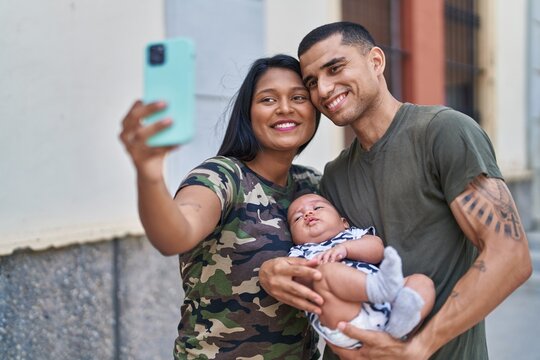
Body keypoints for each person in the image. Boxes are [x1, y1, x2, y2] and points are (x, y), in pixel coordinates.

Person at [259, 22, 532, 359]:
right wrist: (272, 272)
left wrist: (419, 347)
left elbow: (511, 257)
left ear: (376, 61)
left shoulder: (443, 132)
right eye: (313, 82)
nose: (325, 90)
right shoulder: (334, 176)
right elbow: (322, 278)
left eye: (335, 68)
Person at [119, 54, 323, 359]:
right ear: (248, 113)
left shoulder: (312, 185)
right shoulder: (223, 176)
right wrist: (149, 173)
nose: (285, 108)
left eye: (298, 97)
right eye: (268, 99)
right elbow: (176, 234)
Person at [287, 193, 435, 349]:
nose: (308, 214)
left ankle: (398, 327)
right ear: (294, 238)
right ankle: (378, 290)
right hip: (347, 317)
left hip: (388, 308)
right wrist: (314, 271)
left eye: (317, 207)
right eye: (297, 218)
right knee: (325, 272)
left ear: (343, 222)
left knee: (422, 282)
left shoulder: (353, 235)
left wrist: (346, 249)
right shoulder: (299, 251)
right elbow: (297, 279)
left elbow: (377, 248)